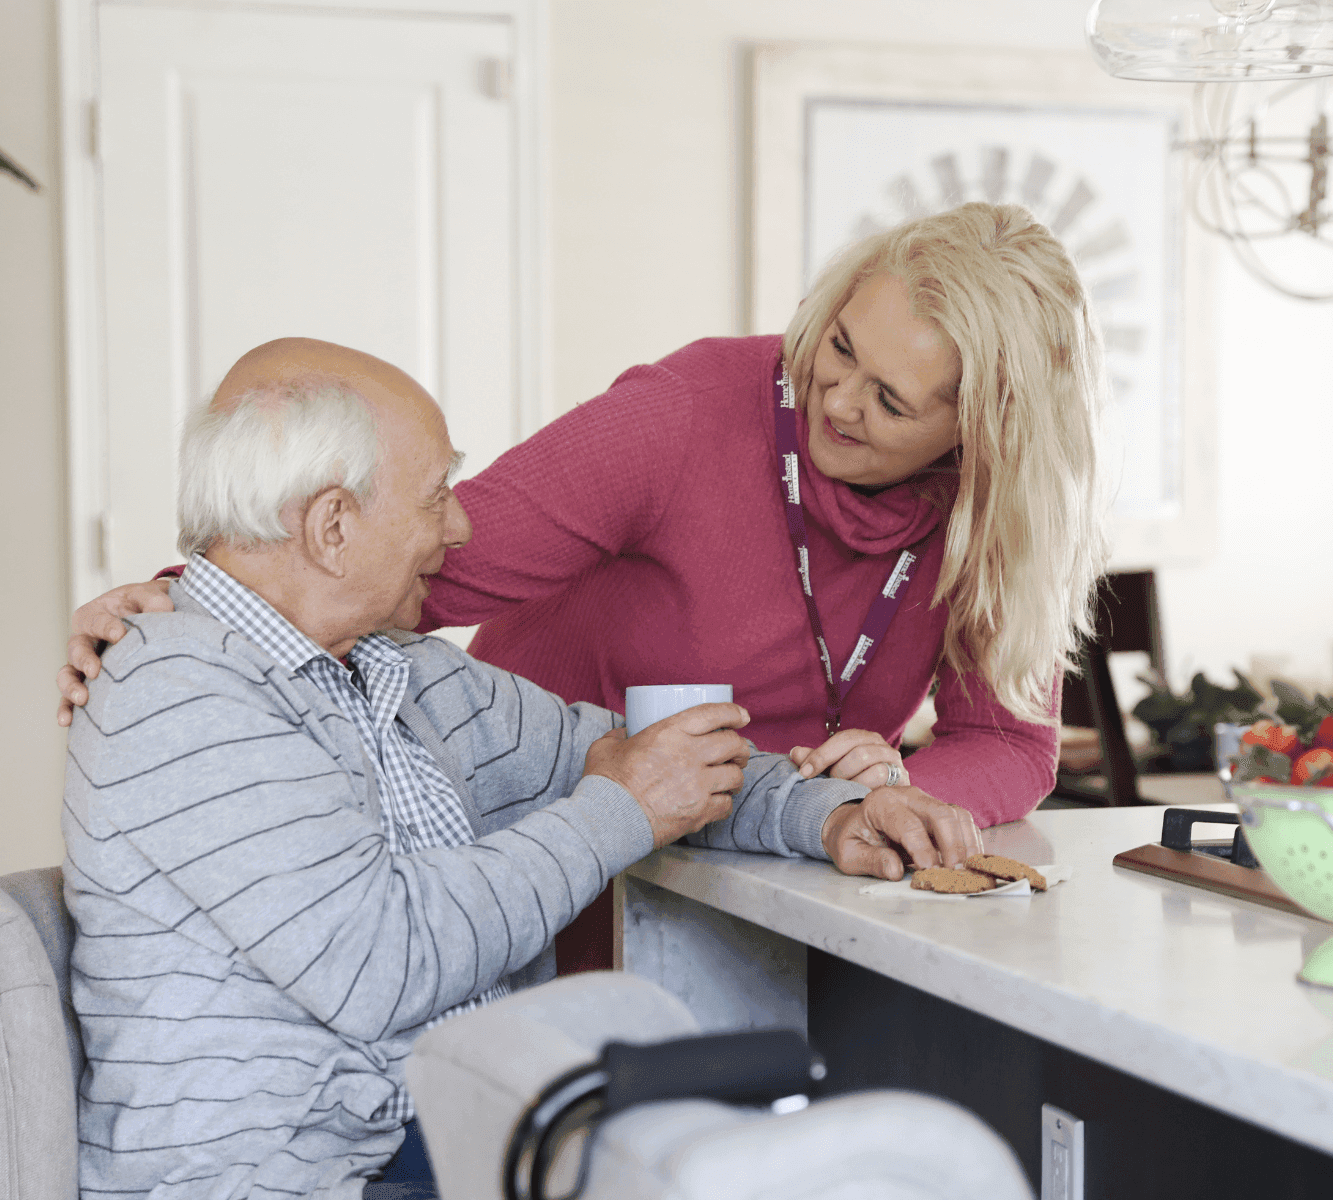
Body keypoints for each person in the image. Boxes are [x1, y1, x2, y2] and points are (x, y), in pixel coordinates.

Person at [59, 202, 1105, 966]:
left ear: (977, 437)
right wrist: (193, 602)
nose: (834, 397)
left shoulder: (993, 516)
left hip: (775, 845)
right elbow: (422, 557)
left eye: (890, 398)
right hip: (552, 844)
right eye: (836, 346)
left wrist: (895, 798)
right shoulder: (689, 414)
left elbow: (1009, 742)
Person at [64, 339, 975, 1200]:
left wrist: (830, 816)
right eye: (436, 494)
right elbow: (384, 964)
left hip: (429, 1150)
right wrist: (621, 807)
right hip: (297, 1179)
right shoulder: (180, 690)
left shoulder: (402, 671)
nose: (460, 526)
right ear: (333, 527)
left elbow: (638, 755)